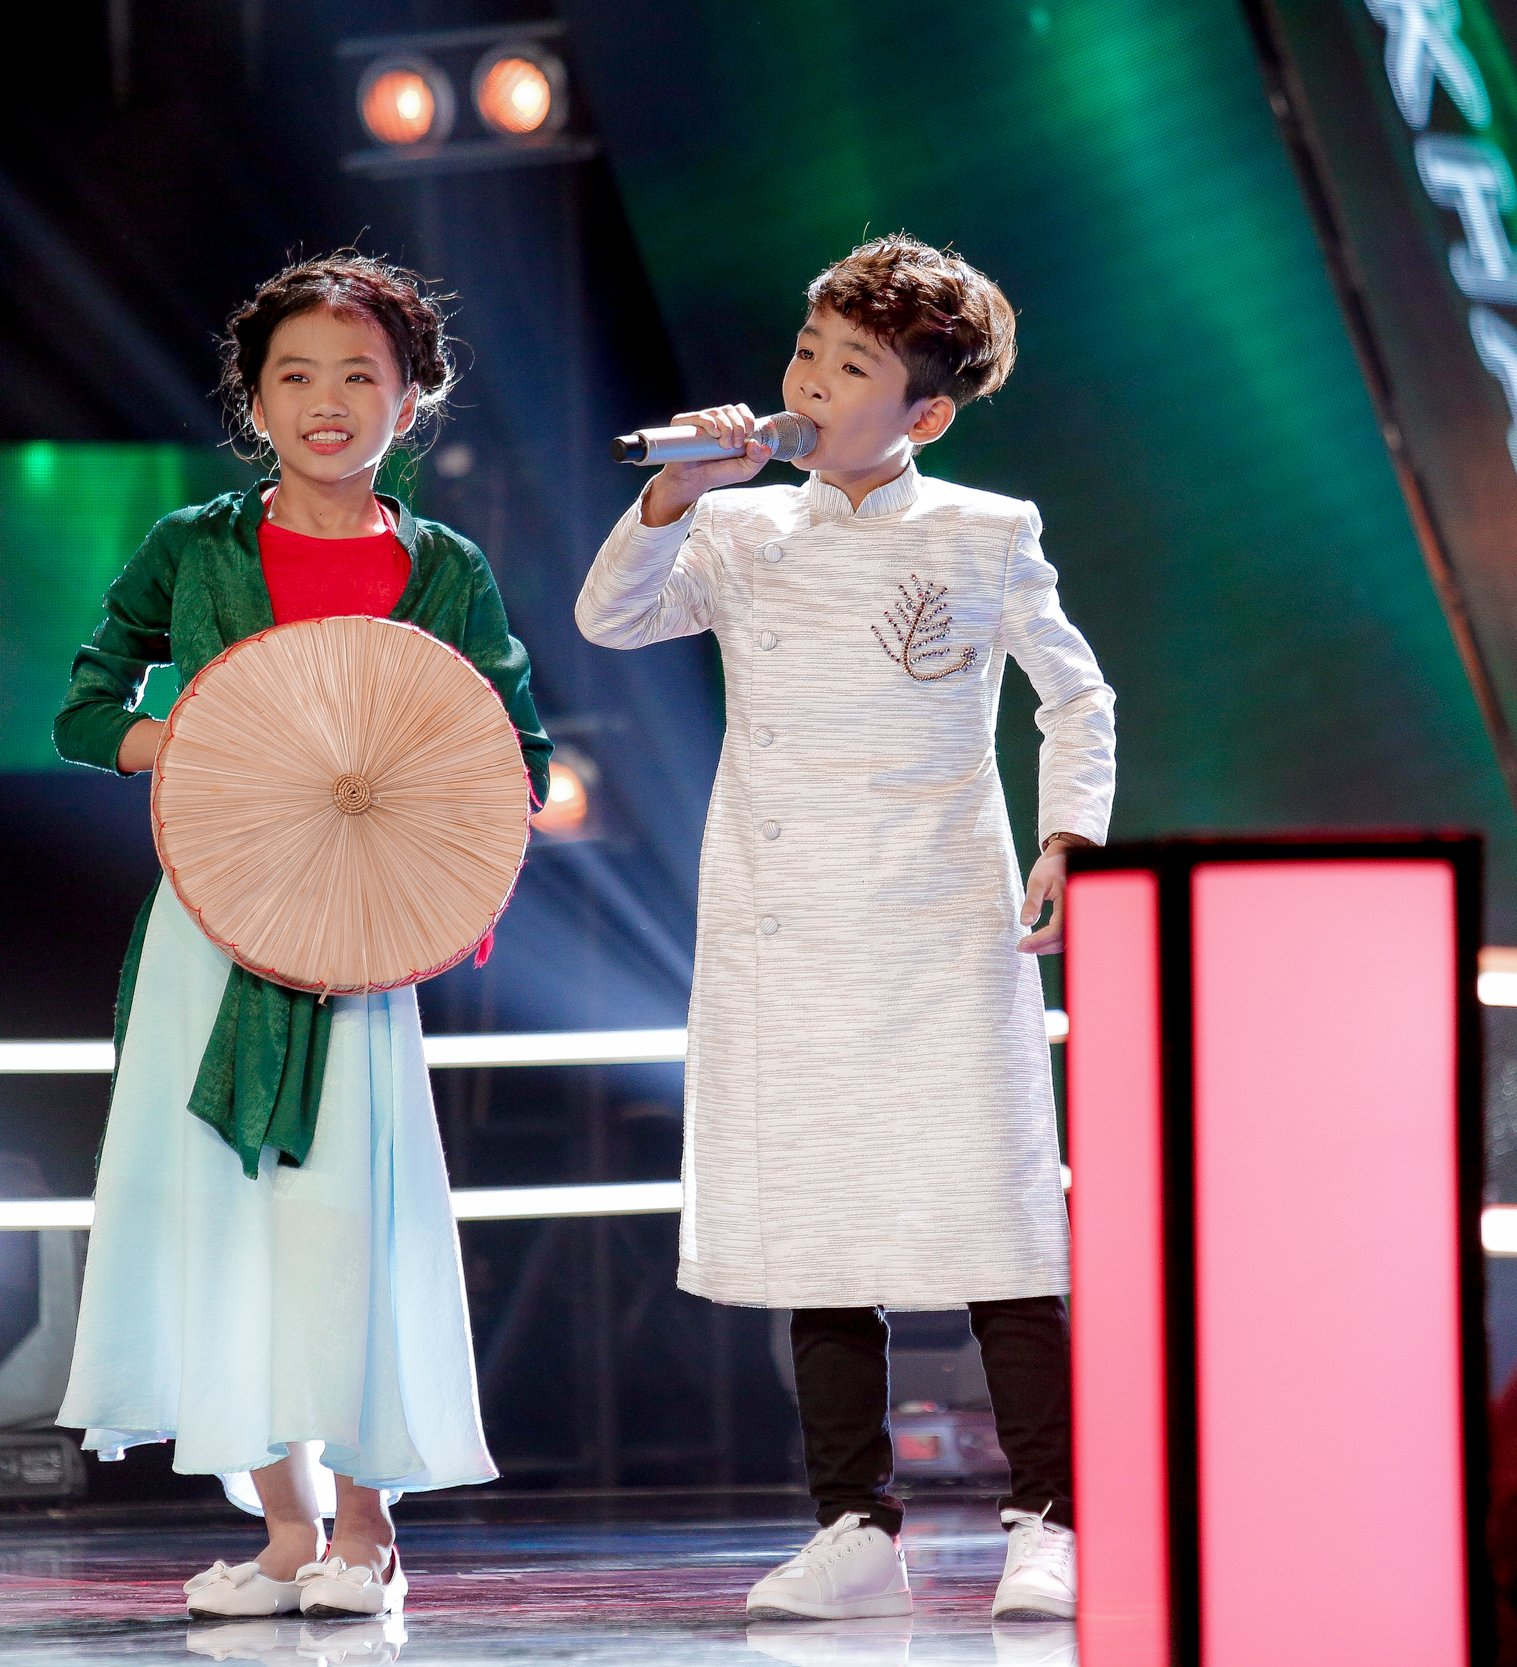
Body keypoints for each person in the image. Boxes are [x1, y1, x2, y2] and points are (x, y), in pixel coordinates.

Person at [576, 234, 1115, 1623]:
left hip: (942, 921)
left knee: (996, 1224)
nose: (811, 380)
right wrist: (676, 492)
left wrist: (1069, 839)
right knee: (818, 1234)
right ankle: (852, 1524)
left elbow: (1075, 695)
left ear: (925, 413)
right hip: (786, 925)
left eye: (851, 366)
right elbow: (608, 618)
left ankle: (1050, 1518)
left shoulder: (986, 531)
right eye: (808, 350)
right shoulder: (739, 529)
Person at [52, 253, 551, 1617]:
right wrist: (181, 741)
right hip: (211, 931)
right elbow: (86, 706)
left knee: (349, 1227)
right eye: (296, 376)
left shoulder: (441, 568)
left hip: (362, 947)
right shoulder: (194, 546)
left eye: (359, 376)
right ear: (255, 400)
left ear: (409, 398)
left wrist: (444, 832)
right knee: (220, 1222)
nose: (327, 402)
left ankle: (368, 1534)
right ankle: (285, 1528)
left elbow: (515, 749)